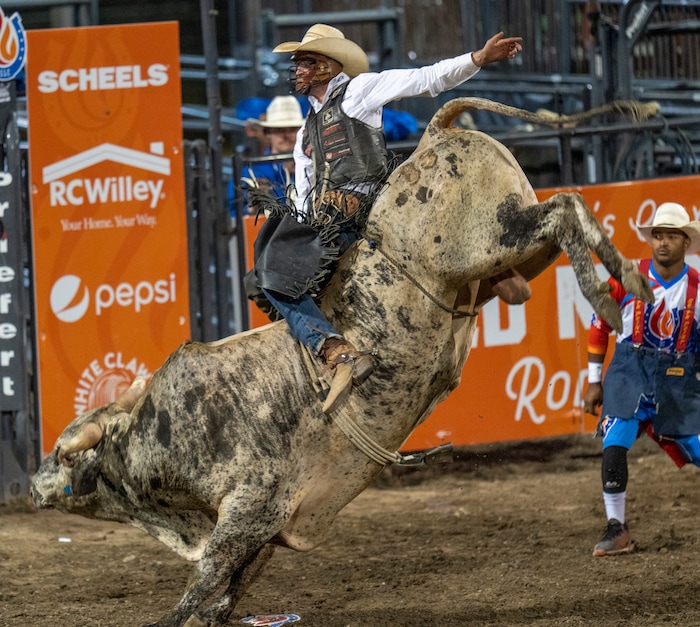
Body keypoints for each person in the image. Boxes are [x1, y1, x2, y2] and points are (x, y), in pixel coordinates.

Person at [251, 23, 523, 413]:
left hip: (371, 207)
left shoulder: (358, 92)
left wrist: (477, 59)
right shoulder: (304, 133)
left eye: (306, 62)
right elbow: (304, 191)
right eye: (297, 64)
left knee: (273, 273)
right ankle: (328, 340)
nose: (297, 70)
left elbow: (425, 79)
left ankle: (333, 349)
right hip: (331, 224)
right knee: (261, 279)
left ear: (328, 66)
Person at [583, 202, 700, 557]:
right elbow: (600, 326)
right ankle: (616, 526)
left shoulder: (697, 287)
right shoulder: (627, 277)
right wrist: (593, 381)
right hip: (629, 369)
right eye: (658, 235)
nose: (663, 243)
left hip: (676, 377)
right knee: (614, 439)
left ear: (686, 242)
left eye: (672, 237)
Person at [241, 96, 305, 211]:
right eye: (279, 130)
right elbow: (235, 216)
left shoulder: (313, 167)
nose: (285, 135)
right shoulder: (250, 173)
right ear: (268, 134)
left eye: (292, 129)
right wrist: (253, 206)